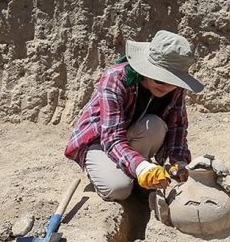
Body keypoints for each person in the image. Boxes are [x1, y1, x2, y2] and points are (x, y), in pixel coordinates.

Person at [65, 30, 204, 201]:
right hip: (100, 142)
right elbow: (111, 138)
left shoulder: (175, 88)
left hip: (134, 137)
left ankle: (139, 177)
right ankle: (129, 172)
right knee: (118, 189)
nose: (166, 87)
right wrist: (141, 167)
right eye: (160, 79)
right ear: (148, 69)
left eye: (173, 82)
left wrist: (179, 161)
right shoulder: (116, 78)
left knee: (154, 126)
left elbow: (177, 126)